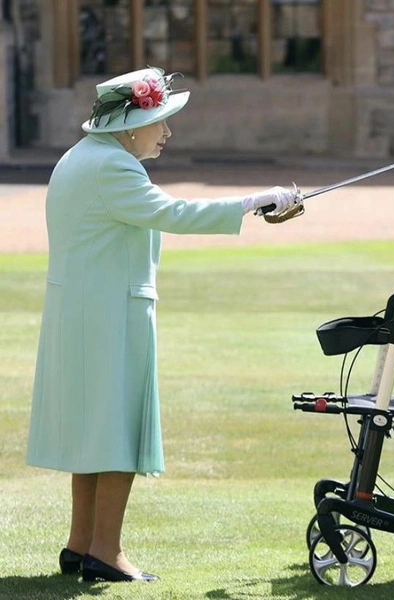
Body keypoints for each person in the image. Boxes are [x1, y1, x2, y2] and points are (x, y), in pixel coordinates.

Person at [26, 66, 299, 583]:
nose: (167, 132)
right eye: (160, 120)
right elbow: (172, 212)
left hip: (83, 313)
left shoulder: (80, 157)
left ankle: (81, 544)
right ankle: (105, 552)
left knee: (94, 432)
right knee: (118, 430)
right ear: (130, 125)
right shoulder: (113, 166)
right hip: (109, 316)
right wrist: (254, 201)